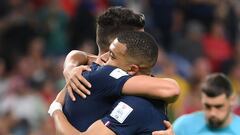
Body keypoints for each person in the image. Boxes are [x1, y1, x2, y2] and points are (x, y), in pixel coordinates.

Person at [49, 31, 178, 135]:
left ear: (133, 69)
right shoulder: (153, 94)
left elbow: (172, 88)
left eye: (112, 56)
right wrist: (70, 66)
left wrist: (56, 109)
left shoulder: (134, 105)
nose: (103, 59)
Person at [171, 73, 240, 135]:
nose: (212, 113)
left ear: (232, 100)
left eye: (219, 106)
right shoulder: (183, 126)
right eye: (207, 106)